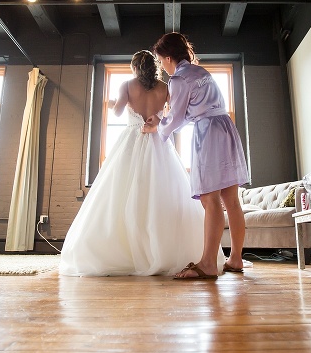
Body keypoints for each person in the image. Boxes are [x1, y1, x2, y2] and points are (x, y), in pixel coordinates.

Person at [59, 50, 223, 276]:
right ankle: (164, 251)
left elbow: (117, 113)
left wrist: (112, 103)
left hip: (131, 141)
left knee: (121, 195)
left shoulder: (127, 85)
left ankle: (124, 252)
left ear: (135, 67)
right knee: (160, 196)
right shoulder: (165, 88)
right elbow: (174, 115)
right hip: (158, 142)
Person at [143, 32, 249, 280]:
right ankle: (235, 258)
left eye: (161, 61)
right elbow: (194, 111)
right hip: (226, 128)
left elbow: (177, 117)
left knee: (209, 200)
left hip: (209, 134)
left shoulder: (178, 80)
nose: (162, 67)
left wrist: (158, 124)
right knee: (231, 200)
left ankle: (208, 264)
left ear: (168, 57)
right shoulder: (202, 73)